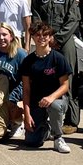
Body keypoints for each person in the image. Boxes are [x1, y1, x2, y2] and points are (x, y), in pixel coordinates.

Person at [30, 0, 81, 133]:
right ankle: (44, 116)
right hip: (44, 41)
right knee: (43, 77)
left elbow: (73, 18)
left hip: (64, 42)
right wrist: (45, 37)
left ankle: (71, 120)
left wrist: (57, 38)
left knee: (67, 79)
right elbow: (36, 17)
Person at [20, 22, 71, 154]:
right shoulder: (28, 61)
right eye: (37, 35)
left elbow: (65, 86)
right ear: (32, 37)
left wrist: (51, 97)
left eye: (45, 35)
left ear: (50, 37)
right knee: (32, 141)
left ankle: (58, 137)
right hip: (36, 102)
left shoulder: (58, 58)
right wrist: (27, 114)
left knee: (54, 106)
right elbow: (26, 90)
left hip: (57, 100)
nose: (41, 38)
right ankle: (46, 129)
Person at [0, 23, 28, 138]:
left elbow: (26, 81)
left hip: (15, 92)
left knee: (10, 101)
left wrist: (14, 96)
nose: (1, 38)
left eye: (4, 35)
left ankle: (17, 123)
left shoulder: (20, 54)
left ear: (11, 36)